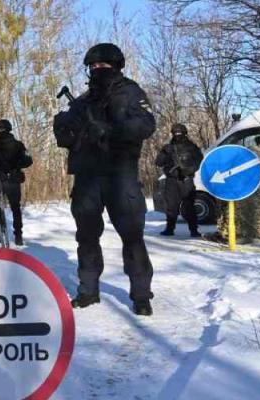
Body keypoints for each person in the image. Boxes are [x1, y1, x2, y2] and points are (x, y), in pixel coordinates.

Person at [52, 43, 157, 316]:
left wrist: (111, 130)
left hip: (121, 175)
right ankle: (88, 290)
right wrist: (63, 126)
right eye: (93, 66)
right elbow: (66, 138)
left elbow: (146, 125)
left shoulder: (130, 92)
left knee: (132, 237)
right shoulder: (84, 100)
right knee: (86, 237)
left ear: (116, 66)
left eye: (103, 66)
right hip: (88, 178)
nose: (98, 70)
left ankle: (142, 295)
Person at [0, 119, 33, 246]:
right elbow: (28, 161)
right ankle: (18, 236)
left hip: (0, 180)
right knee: (15, 208)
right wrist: (17, 165)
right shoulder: (18, 145)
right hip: (12, 181)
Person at [155, 123, 204, 237]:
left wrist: (189, 170)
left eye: (179, 132)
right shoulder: (168, 148)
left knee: (189, 206)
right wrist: (164, 153)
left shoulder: (192, 147)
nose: (177, 135)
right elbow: (158, 162)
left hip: (186, 180)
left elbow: (199, 161)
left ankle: (194, 230)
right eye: (175, 133)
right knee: (171, 207)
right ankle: (169, 229)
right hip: (171, 180)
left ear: (185, 133)